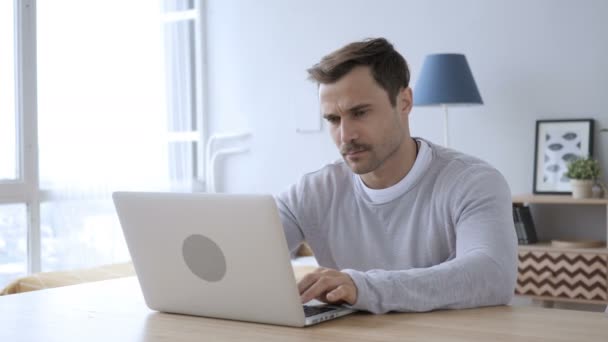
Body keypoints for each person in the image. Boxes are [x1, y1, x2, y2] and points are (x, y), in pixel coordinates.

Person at [275, 37, 517, 314]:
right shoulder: (313, 191)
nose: (345, 135)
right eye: (333, 119)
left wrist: (364, 287)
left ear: (404, 102)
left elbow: (491, 275)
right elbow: (244, 254)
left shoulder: (473, 182)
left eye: (360, 112)